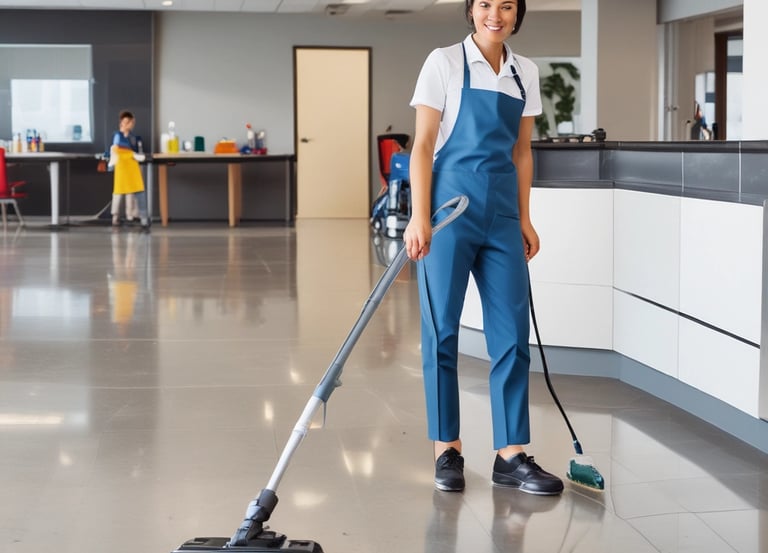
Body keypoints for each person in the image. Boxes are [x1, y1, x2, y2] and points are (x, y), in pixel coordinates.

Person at [404, 0, 563, 496]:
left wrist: (525, 217)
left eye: (507, 6)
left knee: (512, 336)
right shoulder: (444, 62)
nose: (496, 15)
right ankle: (446, 449)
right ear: (471, 11)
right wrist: (417, 215)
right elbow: (425, 145)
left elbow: (521, 151)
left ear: (518, 14)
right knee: (441, 332)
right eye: (486, 5)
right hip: (449, 211)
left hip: (501, 215)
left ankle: (510, 455)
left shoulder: (525, 72)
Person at [110, 110, 149, 231]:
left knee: (136, 192)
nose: (128, 124)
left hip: (132, 168)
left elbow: (138, 150)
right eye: (125, 122)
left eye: (130, 122)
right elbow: (116, 148)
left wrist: (136, 155)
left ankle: (138, 217)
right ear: (121, 123)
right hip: (121, 168)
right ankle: (115, 216)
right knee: (118, 193)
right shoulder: (117, 136)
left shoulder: (133, 138)